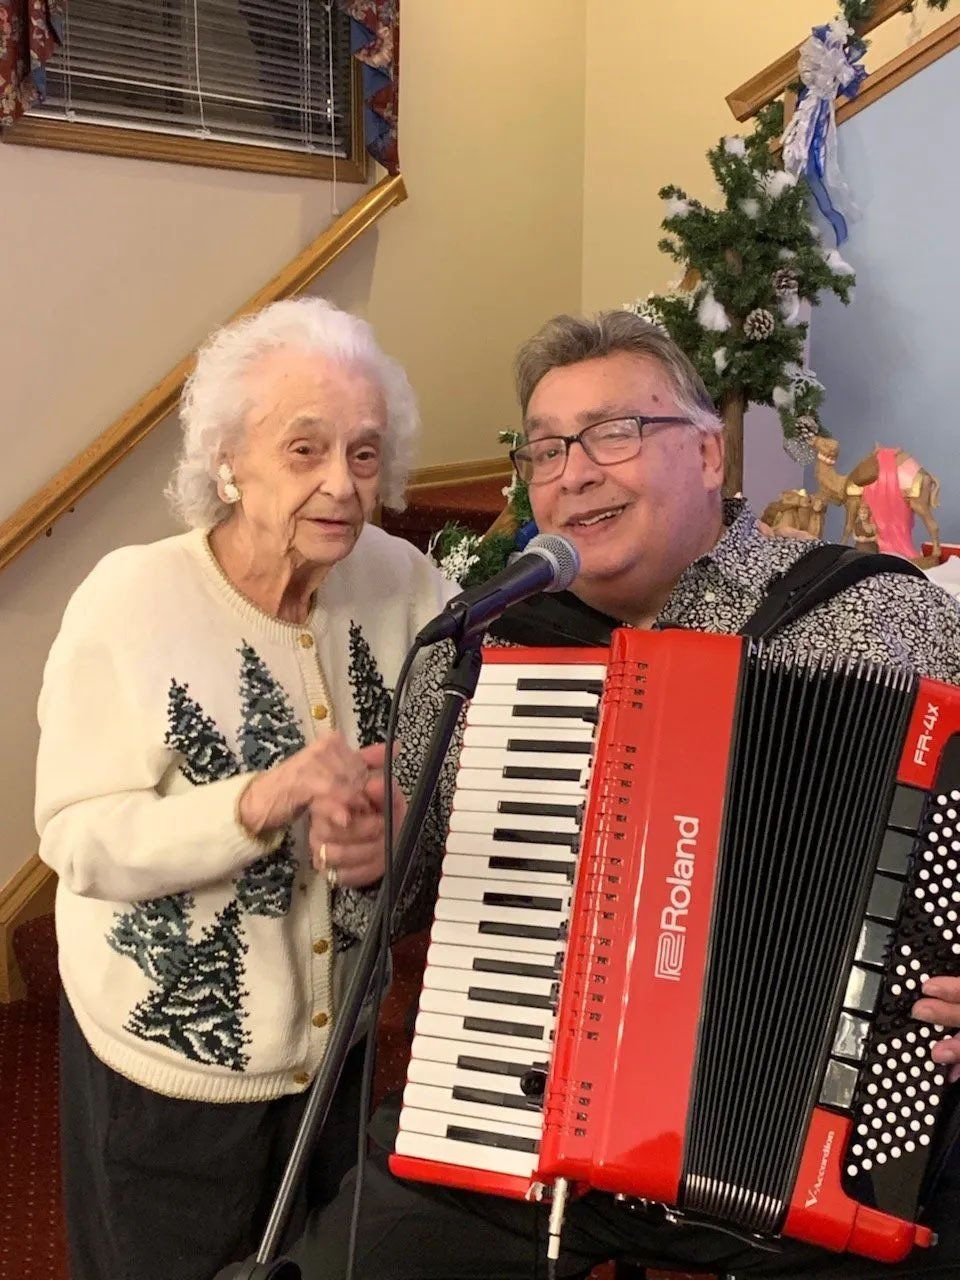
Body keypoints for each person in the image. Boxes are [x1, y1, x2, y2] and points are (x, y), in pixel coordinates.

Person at [278, 311, 960, 1280]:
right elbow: (406, 893)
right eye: (546, 448)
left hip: (833, 1129)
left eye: (616, 432)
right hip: (520, 1106)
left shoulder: (878, 614)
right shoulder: (489, 646)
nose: (575, 471)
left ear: (711, 455)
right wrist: (376, 853)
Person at [35, 297, 455, 1280]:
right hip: (167, 1071)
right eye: (303, 448)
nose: (341, 483)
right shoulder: (131, 600)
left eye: (363, 452)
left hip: (337, 1062)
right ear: (227, 457)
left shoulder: (409, 587)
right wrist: (253, 802)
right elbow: (80, 838)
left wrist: (403, 827)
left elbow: (452, 775)